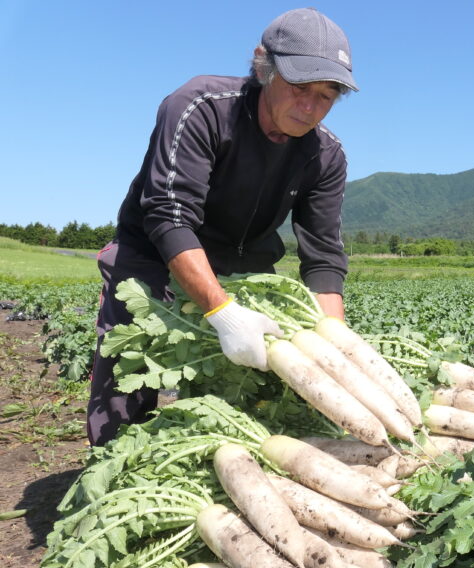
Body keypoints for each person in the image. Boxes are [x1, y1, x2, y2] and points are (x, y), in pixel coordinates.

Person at [87, 8, 357, 447]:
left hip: (246, 263)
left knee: (243, 399)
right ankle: (111, 472)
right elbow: (169, 215)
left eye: (327, 95)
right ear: (263, 66)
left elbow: (324, 254)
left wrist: (339, 351)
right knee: (129, 376)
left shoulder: (325, 155)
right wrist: (222, 311)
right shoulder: (201, 107)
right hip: (154, 252)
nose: (310, 107)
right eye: (299, 87)